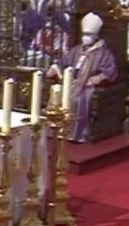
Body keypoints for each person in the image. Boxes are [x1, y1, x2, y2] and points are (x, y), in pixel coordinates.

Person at [47, 12, 118, 142]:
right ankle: (56, 129)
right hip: (71, 81)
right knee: (57, 94)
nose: (86, 37)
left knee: (77, 99)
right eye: (85, 34)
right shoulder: (77, 49)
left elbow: (110, 70)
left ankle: (75, 133)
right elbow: (63, 62)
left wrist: (99, 78)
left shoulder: (103, 52)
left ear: (96, 35)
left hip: (87, 85)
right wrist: (55, 68)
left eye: (89, 35)